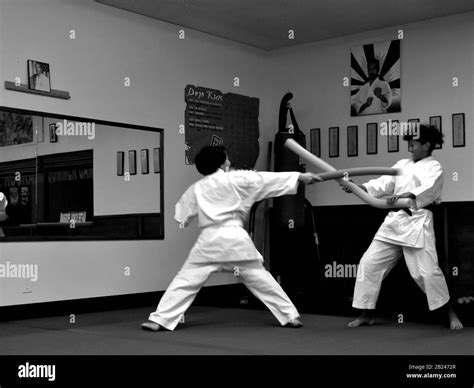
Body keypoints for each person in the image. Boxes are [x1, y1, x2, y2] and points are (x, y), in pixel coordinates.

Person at [141, 146, 320, 332]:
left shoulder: (197, 188)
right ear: (221, 163)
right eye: (226, 159)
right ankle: (289, 316)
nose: (229, 162)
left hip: (208, 244)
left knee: (185, 281)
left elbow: (181, 216)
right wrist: (300, 177)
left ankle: (160, 319)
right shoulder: (237, 179)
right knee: (261, 280)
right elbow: (264, 179)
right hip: (236, 242)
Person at [343, 125, 463, 330]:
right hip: (393, 222)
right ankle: (367, 314)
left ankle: (451, 314)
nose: (410, 147)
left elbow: (430, 189)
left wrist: (409, 196)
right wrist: (360, 187)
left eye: (414, 144)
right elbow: (383, 183)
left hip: (416, 222)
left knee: (426, 273)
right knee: (368, 264)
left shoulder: (434, 167)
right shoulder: (402, 164)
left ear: (426, 145)